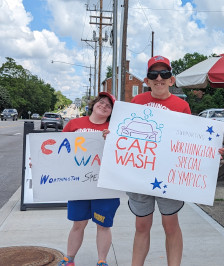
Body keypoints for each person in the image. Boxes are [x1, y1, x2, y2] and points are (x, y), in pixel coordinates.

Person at [128, 55, 190, 266]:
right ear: (147, 80)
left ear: (171, 79)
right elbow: (125, 135)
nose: (159, 78)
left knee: (170, 224)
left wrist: (208, 152)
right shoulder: (136, 102)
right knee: (141, 226)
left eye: (164, 73)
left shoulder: (182, 106)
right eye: (153, 74)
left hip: (168, 175)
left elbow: (190, 140)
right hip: (140, 173)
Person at [58, 92, 120, 266]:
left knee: (103, 225)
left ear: (111, 112)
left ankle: (102, 261)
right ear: (94, 104)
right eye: (101, 102)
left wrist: (114, 139)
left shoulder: (114, 129)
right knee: (78, 223)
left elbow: (123, 155)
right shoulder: (74, 124)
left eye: (108, 105)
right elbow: (59, 150)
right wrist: (42, 164)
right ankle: (69, 258)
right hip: (79, 184)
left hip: (105, 185)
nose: (104, 106)